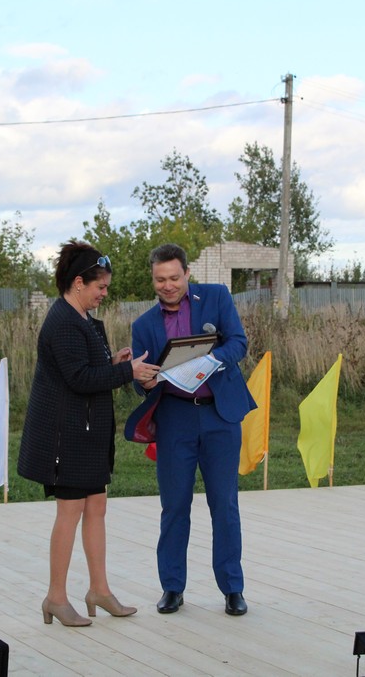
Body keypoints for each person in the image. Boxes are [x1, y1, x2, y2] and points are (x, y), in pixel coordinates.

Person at [18, 241, 159, 627]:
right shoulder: (63, 322)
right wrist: (128, 372)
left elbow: (86, 369)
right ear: (78, 282)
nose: (104, 293)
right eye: (101, 286)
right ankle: (55, 597)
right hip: (67, 437)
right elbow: (79, 379)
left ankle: (99, 590)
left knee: (97, 507)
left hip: (88, 434)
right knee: (70, 512)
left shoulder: (82, 319)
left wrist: (114, 363)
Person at [125, 243, 256, 616]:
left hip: (219, 417)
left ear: (187, 273)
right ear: (153, 279)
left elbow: (239, 343)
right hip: (175, 419)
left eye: (174, 277)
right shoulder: (143, 325)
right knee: (174, 506)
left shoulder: (216, 297)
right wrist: (143, 381)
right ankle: (172, 587)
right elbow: (140, 380)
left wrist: (211, 360)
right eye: (160, 280)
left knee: (224, 505)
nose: (167, 286)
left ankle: (232, 589)